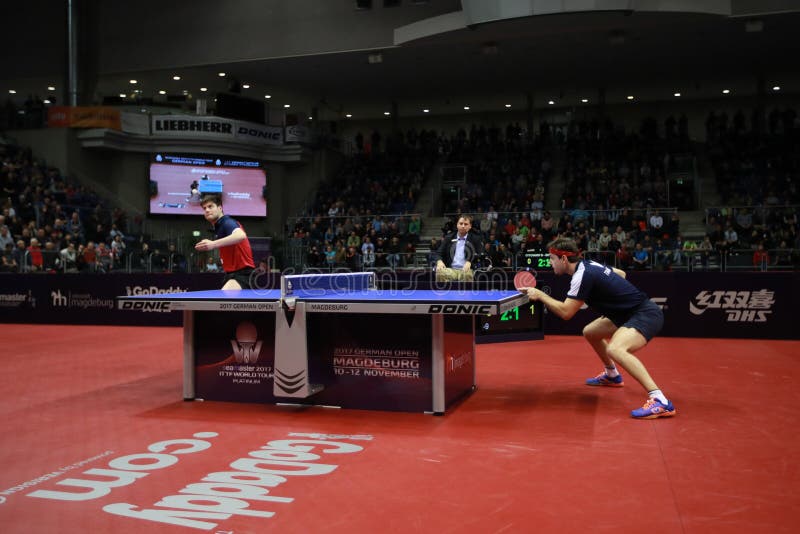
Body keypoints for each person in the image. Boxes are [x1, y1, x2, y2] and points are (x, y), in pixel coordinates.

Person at [520, 237, 675, 419]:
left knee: (616, 349)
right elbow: (621, 274)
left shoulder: (581, 275)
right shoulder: (589, 264)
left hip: (645, 314)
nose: (549, 262)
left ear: (563, 259)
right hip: (625, 314)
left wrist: (539, 294)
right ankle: (612, 375)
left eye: (552, 259)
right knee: (591, 332)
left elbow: (566, 313)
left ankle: (660, 400)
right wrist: (613, 303)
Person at [194, 194, 255, 289]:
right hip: (231, 274)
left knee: (222, 300)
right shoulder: (218, 227)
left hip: (243, 274)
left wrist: (213, 244)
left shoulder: (226, 222)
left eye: (210, 206)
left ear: (220, 208)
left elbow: (240, 235)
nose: (207, 210)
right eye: (204, 208)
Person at [433, 215, 484, 282]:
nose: (463, 226)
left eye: (466, 224)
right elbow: (438, 253)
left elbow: (481, 254)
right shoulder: (449, 238)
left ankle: (466, 293)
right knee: (440, 272)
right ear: (457, 225)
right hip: (451, 269)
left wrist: (469, 261)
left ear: (470, 226)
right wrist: (439, 261)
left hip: (466, 270)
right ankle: (443, 292)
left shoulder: (475, 239)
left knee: (467, 274)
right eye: (461, 223)